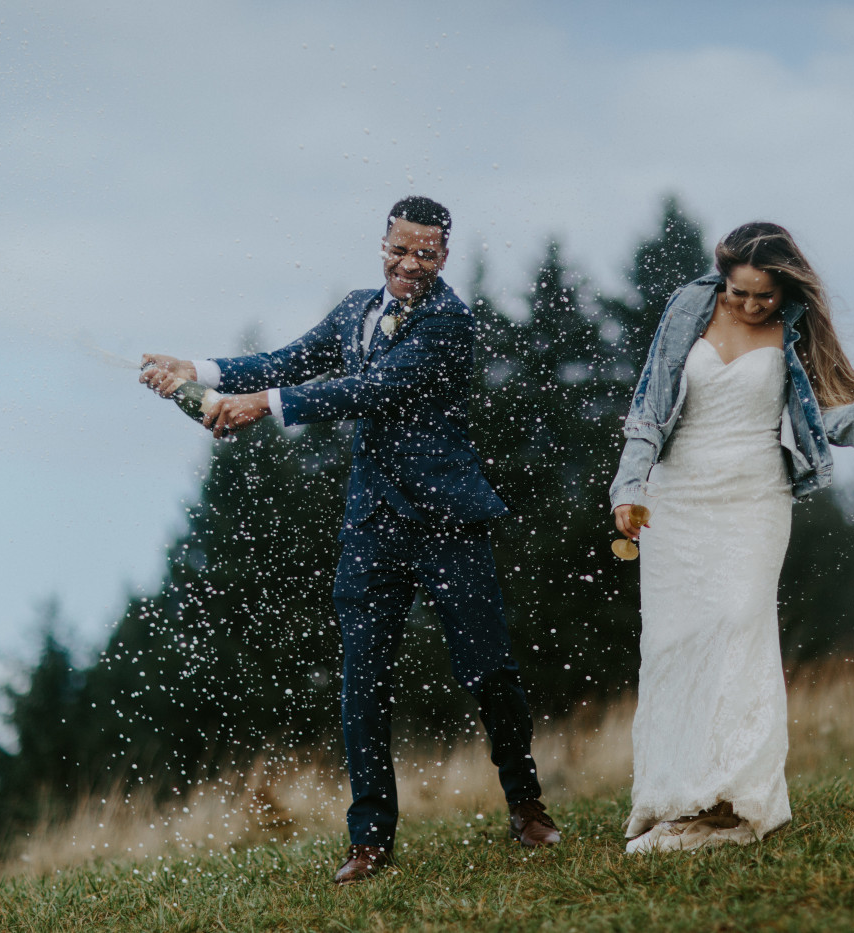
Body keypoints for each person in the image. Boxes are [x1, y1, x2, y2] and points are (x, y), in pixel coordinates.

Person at [141, 195, 560, 884]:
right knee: (363, 682)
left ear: (444, 256)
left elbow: (373, 388)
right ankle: (369, 839)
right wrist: (199, 372)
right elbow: (290, 358)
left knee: (490, 670)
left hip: (449, 520)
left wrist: (264, 409)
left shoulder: (451, 322)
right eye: (399, 249)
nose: (410, 263)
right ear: (383, 244)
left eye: (426, 252)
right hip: (373, 526)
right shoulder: (355, 310)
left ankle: (527, 804)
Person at [608, 222, 854, 853]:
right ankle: (677, 797)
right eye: (738, 292)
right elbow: (650, 406)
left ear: (785, 287)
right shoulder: (689, 308)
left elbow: (819, 420)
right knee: (673, 644)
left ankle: (736, 803)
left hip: (753, 498)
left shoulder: (793, 330)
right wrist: (629, 486)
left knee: (740, 623)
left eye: (762, 296)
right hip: (678, 498)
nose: (748, 305)